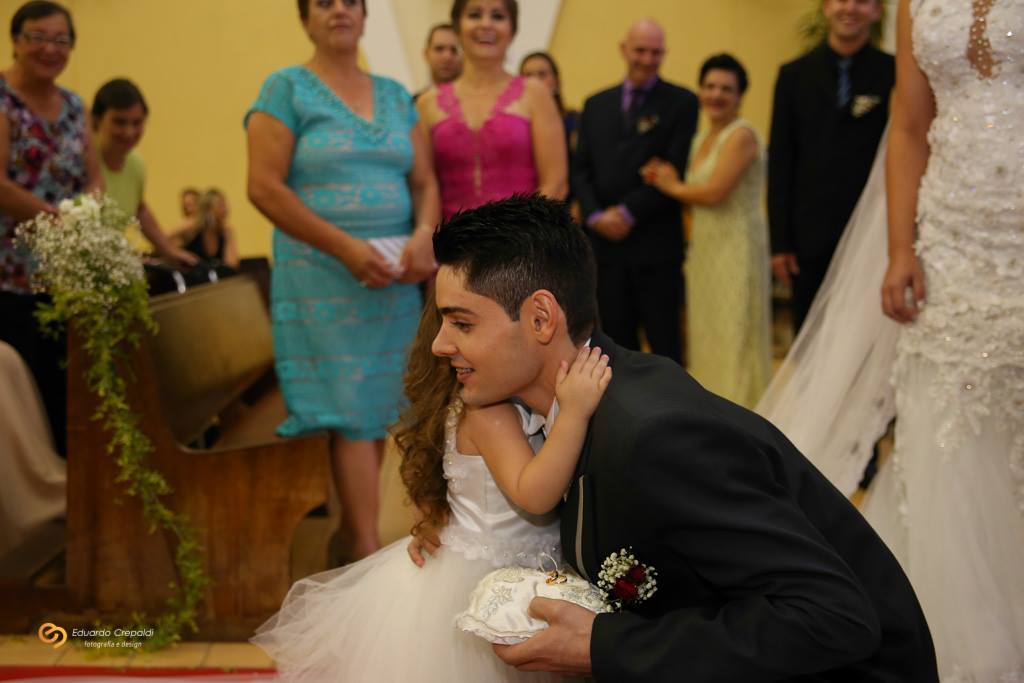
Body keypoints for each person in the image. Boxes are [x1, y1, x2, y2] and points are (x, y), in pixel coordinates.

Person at [426, 194, 937, 681]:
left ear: (541, 318)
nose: (439, 344)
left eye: (462, 324)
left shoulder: (654, 437)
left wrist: (602, 646)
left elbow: (834, 616)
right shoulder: (555, 405)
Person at [252, 302, 609, 682]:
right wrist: (574, 414)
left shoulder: (468, 404)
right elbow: (535, 495)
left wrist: (433, 520)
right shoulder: (490, 412)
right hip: (489, 582)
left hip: (501, 563)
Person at [245, 0, 439, 561]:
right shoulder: (285, 89)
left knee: (389, 402)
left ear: (364, 15)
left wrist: (424, 234)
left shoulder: (395, 95)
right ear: (305, 18)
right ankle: (364, 547)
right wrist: (345, 247)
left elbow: (424, 182)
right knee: (351, 409)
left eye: (349, 1)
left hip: (392, 281)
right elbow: (263, 186)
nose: (338, 11)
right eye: (323, 3)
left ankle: (368, 534)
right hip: (322, 276)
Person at [0, 0, 101, 457]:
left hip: (63, 279)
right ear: (15, 41)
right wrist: (56, 220)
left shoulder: (75, 106)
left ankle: (66, 486)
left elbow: (94, 177)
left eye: (61, 40)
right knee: (21, 402)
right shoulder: (4, 100)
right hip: (10, 277)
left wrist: (87, 214)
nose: (49, 49)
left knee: (64, 396)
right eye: (37, 37)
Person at [641, 54, 770, 409]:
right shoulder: (700, 137)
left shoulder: (741, 135)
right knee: (708, 331)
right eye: (710, 86)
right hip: (705, 249)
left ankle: (744, 411)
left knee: (735, 333)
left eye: (726, 89)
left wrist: (670, 185)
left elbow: (714, 193)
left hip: (736, 246)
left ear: (740, 95)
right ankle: (713, 409)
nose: (716, 95)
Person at [571, 19, 698, 365]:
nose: (647, 59)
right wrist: (596, 216)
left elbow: (673, 169)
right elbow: (581, 170)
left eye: (656, 52)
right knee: (613, 350)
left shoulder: (682, 103)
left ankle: (671, 403)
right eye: (641, 50)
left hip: (656, 245)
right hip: (606, 250)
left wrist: (627, 213)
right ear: (624, 49)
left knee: (665, 349)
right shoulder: (596, 104)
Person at [767, 0, 892, 334]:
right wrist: (780, 243)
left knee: (865, 334)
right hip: (808, 236)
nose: (849, 8)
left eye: (861, 1)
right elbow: (781, 160)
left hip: (872, 233)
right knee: (809, 333)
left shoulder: (893, 72)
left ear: (877, 11)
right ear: (825, 7)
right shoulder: (793, 75)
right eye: (839, 0)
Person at [417, 0, 567, 221]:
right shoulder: (427, 103)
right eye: (475, 14)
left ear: (512, 29)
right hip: (450, 238)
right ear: (457, 26)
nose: (486, 24)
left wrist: (522, 234)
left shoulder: (536, 94)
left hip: (524, 236)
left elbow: (555, 183)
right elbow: (423, 187)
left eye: (498, 16)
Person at [91, 78, 197, 267]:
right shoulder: (80, 160)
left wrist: (168, 250)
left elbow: (139, 209)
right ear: (96, 120)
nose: (129, 132)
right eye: (119, 122)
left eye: (137, 123)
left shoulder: (136, 164)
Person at [519, 51, 579, 158]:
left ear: (556, 81)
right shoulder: (515, 124)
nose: (535, 81)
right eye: (528, 76)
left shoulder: (575, 120)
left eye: (542, 74)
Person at [172, 187, 239, 268]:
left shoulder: (225, 231)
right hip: (191, 274)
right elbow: (164, 240)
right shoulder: (192, 226)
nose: (225, 209)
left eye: (225, 205)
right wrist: (178, 254)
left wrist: (229, 238)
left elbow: (231, 266)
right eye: (221, 206)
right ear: (209, 209)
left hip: (215, 275)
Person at [414, 22, 462, 100]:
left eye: (454, 50)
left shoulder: (477, 100)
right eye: (439, 49)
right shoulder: (413, 104)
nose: (447, 57)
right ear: (426, 54)